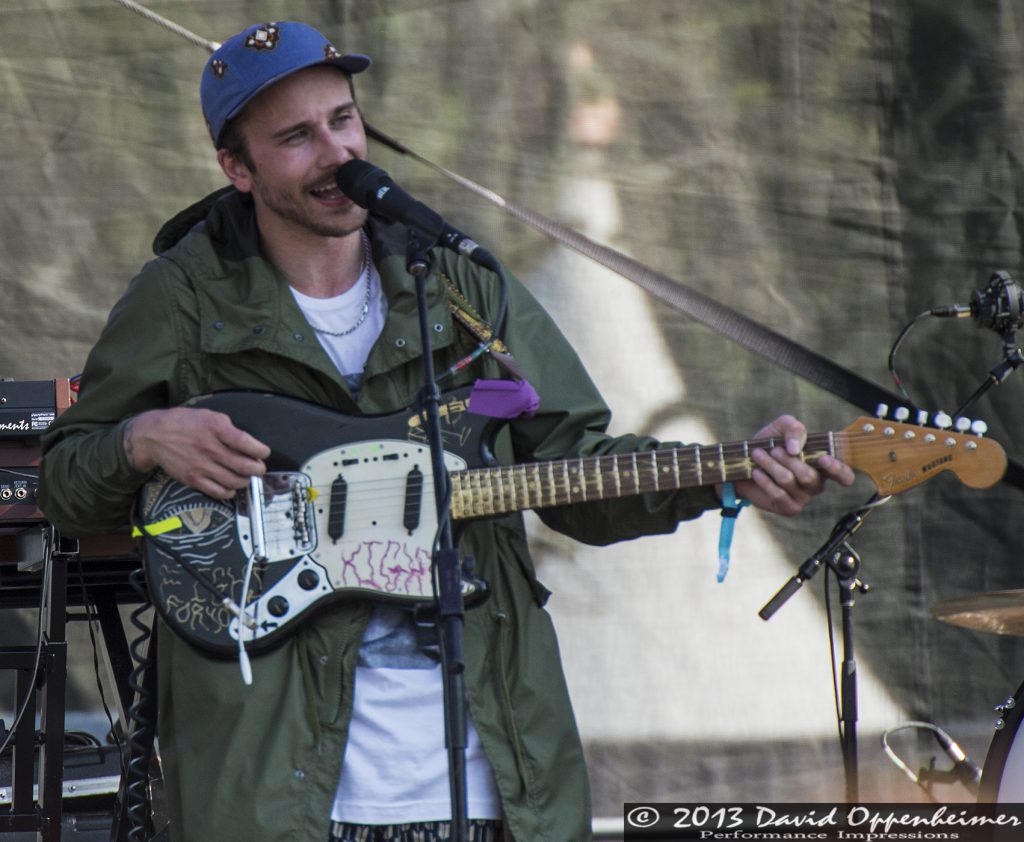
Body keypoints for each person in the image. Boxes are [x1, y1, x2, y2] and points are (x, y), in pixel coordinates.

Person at [38, 20, 854, 842]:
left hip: (485, 774)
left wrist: (724, 476)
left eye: (343, 120)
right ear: (237, 168)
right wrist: (142, 439)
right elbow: (66, 482)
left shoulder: (462, 284)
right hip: (281, 786)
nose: (335, 154)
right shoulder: (181, 295)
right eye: (295, 138)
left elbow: (575, 469)